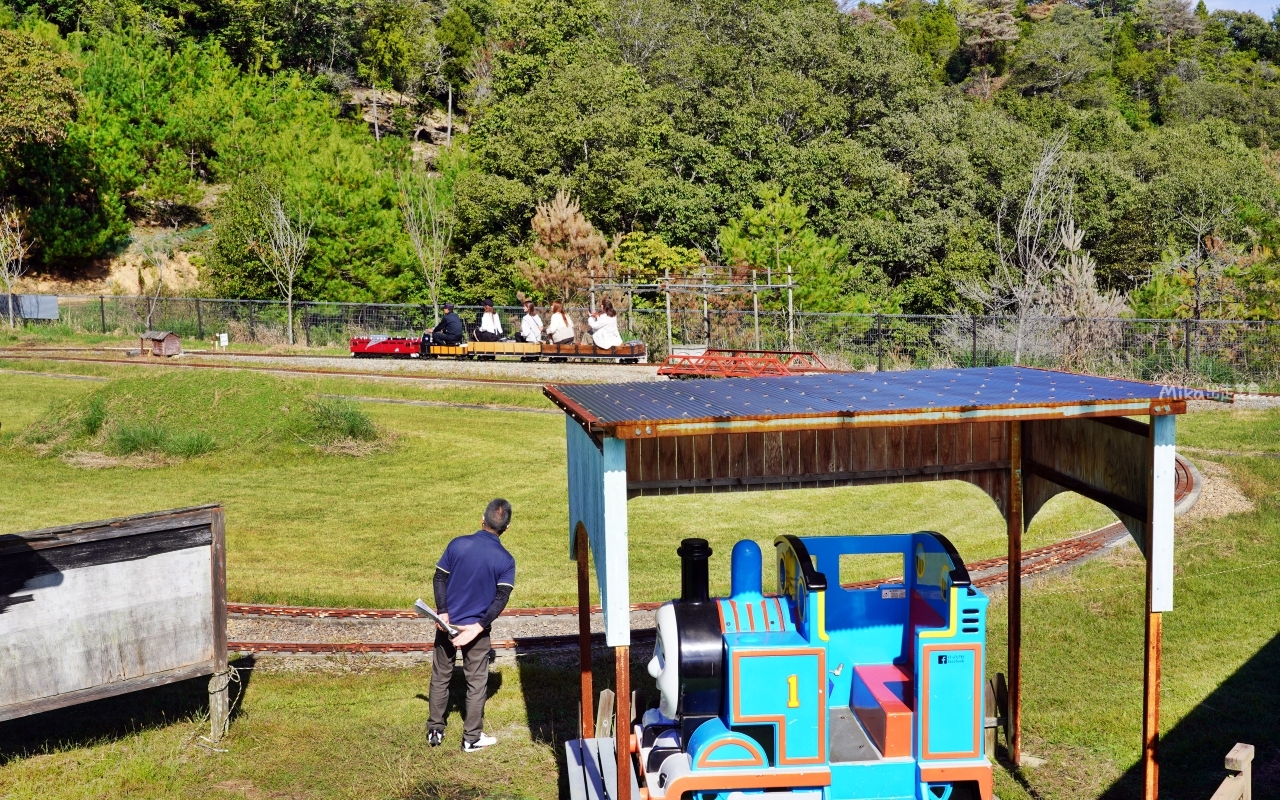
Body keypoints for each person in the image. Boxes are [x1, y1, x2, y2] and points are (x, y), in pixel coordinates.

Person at [427, 498, 516, 752]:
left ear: (482, 518)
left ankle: (435, 730)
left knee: (440, 676)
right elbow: (501, 598)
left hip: (446, 625)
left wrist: (443, 613)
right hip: (476, 631)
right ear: (506, 528)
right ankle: (471, 738)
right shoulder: (506, 560)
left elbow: (439, 577)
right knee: (476, 683)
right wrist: (479, 627)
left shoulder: (458, 544)